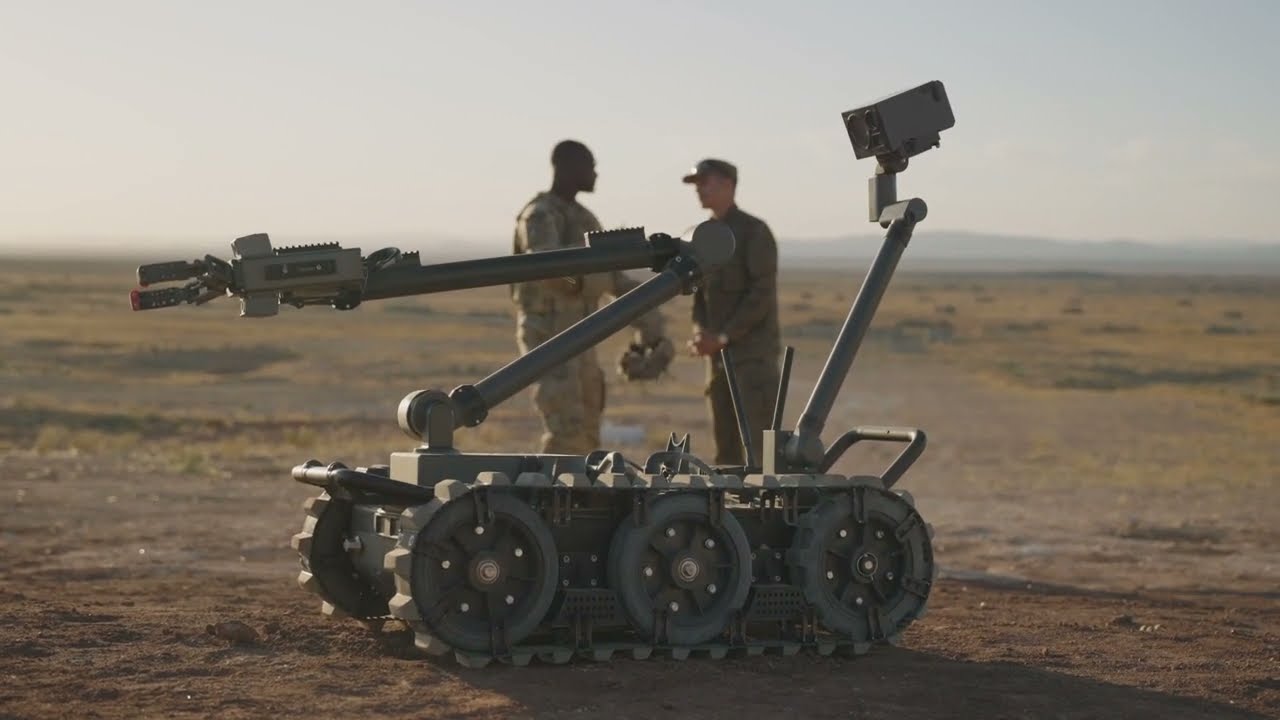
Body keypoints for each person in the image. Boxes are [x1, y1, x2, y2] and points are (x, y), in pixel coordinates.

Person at [511, 140, 669, 454]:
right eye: (590, 166)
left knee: (588, 429)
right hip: (550, 337)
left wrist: (651, 326)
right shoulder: (539, 215)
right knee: (566, 428)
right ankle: (553, 496)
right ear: (567, 168)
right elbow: (547, 268)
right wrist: (592, 280)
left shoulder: (584, 219)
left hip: (582, 338)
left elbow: (614, 277)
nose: (596, 174)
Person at [681, 158, 781, 466]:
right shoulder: (702, 236)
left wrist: (724, 336)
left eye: (705, 182)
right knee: (725, 453)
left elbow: (761, 295)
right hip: (718, 361)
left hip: (751, 360)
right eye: (697, 184)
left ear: (728, 184)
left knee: (762, 453)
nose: (699, 190)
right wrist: (700, 332)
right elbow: (698, 293)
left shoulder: (753, 232)